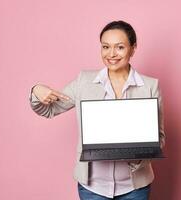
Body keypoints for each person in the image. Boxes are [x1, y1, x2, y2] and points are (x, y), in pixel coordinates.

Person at [29, 20, 165, 200]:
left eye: (120, 47)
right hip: (93, 188)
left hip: (134, 188)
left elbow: (159, 138)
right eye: (105, 47)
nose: (111, 54)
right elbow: (49, 110)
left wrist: (137, 157)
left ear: (133, 48)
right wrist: (36, 91)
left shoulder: (149, 86)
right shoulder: (83, 82)